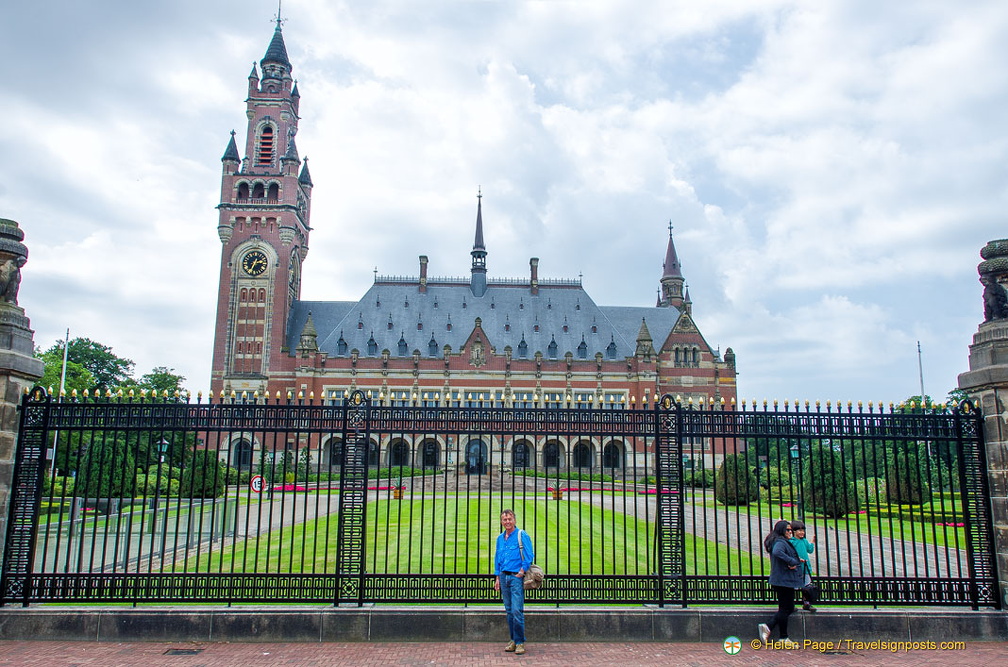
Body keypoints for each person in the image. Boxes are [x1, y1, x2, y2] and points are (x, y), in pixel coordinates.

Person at [494, 509, 534, 655]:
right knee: (509, 611)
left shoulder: (521, 535)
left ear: (514, 520)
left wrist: (521, 572)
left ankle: (520, 642)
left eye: (509, 519)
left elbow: (529, 555)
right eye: (504, 520)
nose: (507, 522)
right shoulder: (500, 538)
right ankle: (513, 640)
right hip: (504, 577)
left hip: (516, 577)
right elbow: (497, 558)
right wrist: (497, 577)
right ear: (501, 521)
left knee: (517, 611)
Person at [758, 520, 803, 648]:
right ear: (782, 531)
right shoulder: (780, 542)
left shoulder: (779, 541)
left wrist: (794, 560)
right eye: (788, 530)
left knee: (789, 607)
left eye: (791, 530)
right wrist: (791, 561)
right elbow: (778, 552)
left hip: (782, 580)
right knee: (785, 609)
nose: (791, 532)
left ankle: (770, 627)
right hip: (783, 580)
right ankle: (782, 637)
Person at [790, 519, 817, 612]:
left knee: (807, 587)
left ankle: (807, 603)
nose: (802, 532)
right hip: (796, 568)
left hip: (805, 567)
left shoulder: (804, 541)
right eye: (799, 530)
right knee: (793, 587)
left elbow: (810, 550)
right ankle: (791, 604)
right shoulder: (792, 542)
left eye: (803, 530)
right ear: (794, 531)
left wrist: (813, 542)